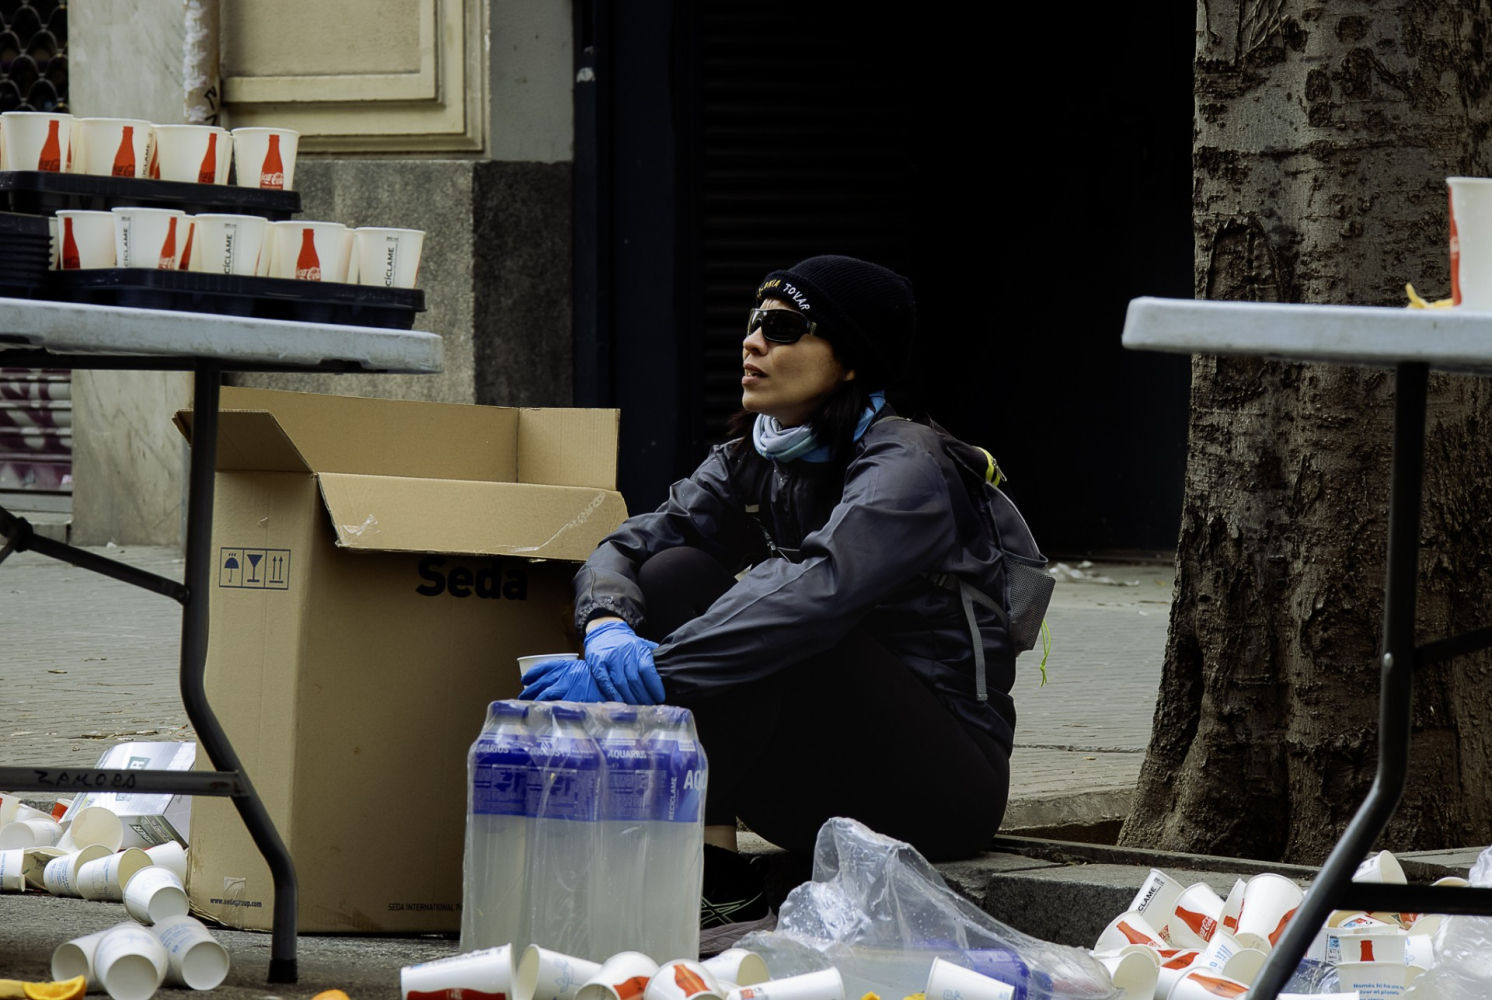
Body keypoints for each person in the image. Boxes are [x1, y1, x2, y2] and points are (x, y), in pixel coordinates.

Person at [520, 255, 1016, 925]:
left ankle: (711, 882)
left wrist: (657, 671)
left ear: (851, 360)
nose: (752, 343)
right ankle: (713, 873)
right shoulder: (755, 458)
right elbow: (626, 546)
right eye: (754, 323)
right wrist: (607, 625)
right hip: (810, 789)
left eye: (781, 328)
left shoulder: (909, 466)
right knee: (672, 572)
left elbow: (819, 590)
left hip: (940, 792)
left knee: (785, 619)